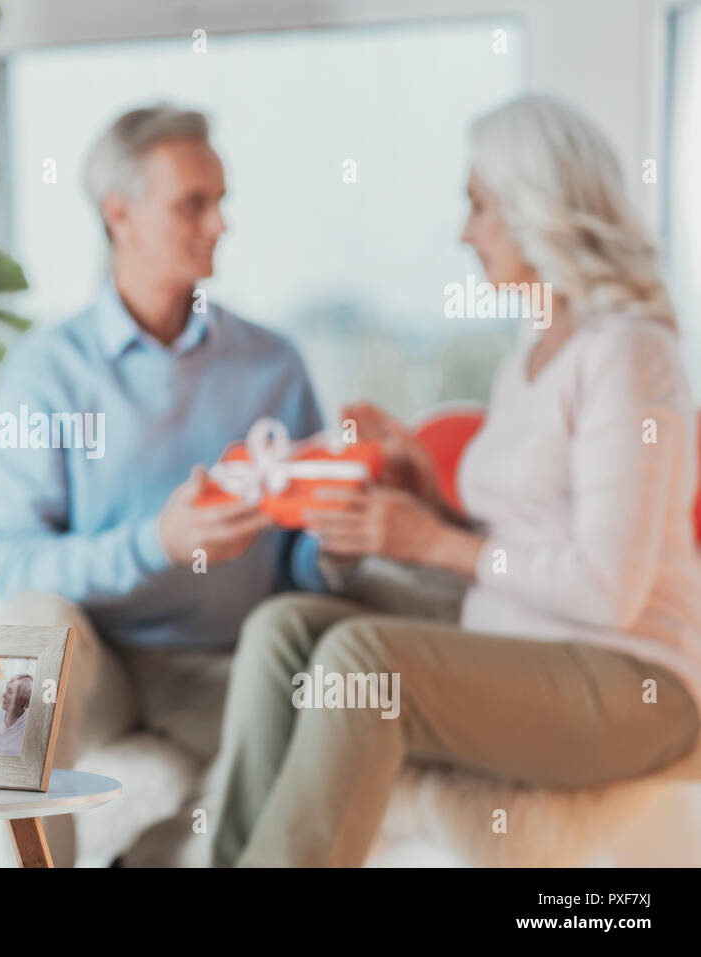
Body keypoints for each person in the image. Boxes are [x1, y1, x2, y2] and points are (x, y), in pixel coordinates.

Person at [211, 93, 701, 867]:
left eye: (478, 206)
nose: (463, 233)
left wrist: (430, 539)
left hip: (634, 682)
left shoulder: (628, 354)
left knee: (361, 658)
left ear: (538, 207)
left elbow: (607, 590)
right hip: (523, 644)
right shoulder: (529, 359)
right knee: (285, 630)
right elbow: (528, 547)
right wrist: (427, 499)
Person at [0, 105, 328, 865]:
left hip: (228, 666)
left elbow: (303, 558)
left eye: (221, 200)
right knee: (35, 618)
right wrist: (156, 543)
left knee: (318, 723)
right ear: (120, 215)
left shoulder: (274, 364)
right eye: (193, 204)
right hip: (104, 668)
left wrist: (342, 534)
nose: (220, 224)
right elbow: (14, 563)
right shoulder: (48, 371)